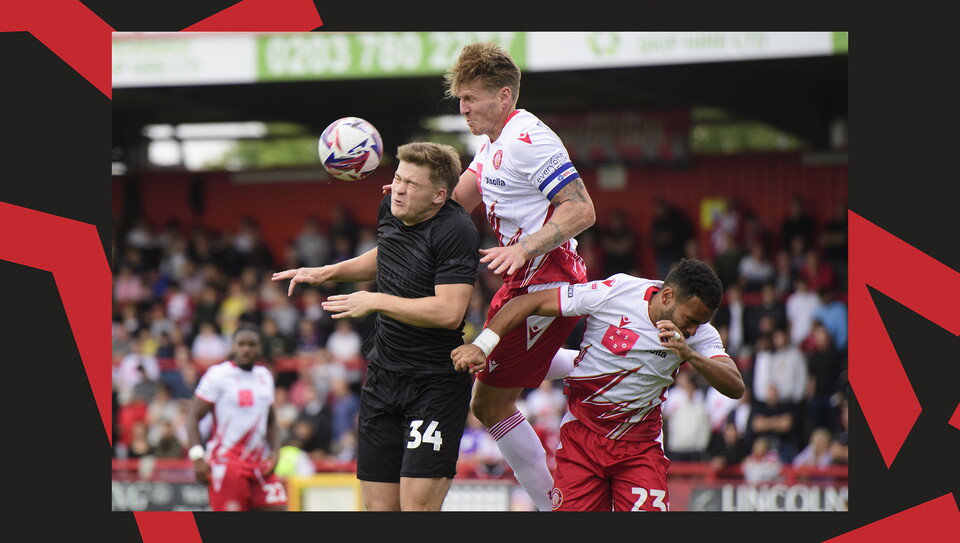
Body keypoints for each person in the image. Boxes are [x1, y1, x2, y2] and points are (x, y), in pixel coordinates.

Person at [272, 142, 479, 511]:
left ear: (439, 196)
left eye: (411, 184)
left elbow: (449, 311)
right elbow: (387, 253)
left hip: (433, 384)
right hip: (383, 379)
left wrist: (375, 300)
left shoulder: (455, 229)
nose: (398, 189)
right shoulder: (391, 207)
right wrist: (327, 272)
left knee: (415, 510)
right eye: (398, 178)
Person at [452, 259, 744, 511]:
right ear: (667, 296)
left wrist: (689, 353)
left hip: (640, 448)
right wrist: (484, 344)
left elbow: (735, 385)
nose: (693, 329)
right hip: (583, 438)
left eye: (699, 324)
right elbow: (527, 302)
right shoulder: (617, 292)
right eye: (690, 320)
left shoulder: (698, 334)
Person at [442, 41, 597, 511]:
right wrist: (415, 196)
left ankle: (554, 508)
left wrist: (526, 247)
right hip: (521, 283)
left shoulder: (530, 139)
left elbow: (582, 209)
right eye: (460, 99)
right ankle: (608, 360)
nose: (463, 108)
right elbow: (455, 205)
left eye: (471, 98)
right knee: (494, 381)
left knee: (488, 405)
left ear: (504, 96)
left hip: (546, 279)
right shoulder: (490, 143)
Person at [184, 324, 288, 511]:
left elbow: (271, 419)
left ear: (260, 348)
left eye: (251, 344)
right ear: (233, 347)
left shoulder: (265, 376)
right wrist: (197, 456)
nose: (246, 349)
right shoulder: (218, 374)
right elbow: (193, 416)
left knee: (279, 508)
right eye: (241, 344)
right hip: (227, 464)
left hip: (259, 464)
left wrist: (275, 451)